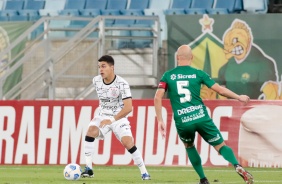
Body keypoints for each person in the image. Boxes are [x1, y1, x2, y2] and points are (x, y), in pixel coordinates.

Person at [154, 45, 254, 184]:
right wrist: (239, 97)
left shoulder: (168, 75)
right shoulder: (199, 74)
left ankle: (203, 179)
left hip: (183, 120)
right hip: (201, 117)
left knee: (189, 146)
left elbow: (158, 97)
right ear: (192, 58)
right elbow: (220, 90)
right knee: (220, 146)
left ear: (177, 57)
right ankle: (236, 165)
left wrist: (160, 120)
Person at [82, 55, 150, 180]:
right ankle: (88, 168)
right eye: (99, 67)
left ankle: (144, 172)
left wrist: (112, 120)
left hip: (119, 117)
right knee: (90, 131)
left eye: (103, 66)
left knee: (128, 142)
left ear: (112, 67)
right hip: (103, 115)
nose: (100, 70)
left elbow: (129, 108)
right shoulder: (96, 81)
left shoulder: (122, 84)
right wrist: (105, 118)